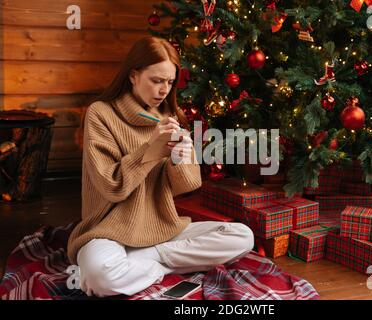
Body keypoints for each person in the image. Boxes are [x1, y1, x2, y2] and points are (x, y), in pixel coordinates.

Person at [66, 36, 254, 298]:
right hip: (107, 231)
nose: (164, 89)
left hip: (161, 230)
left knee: (242, 236)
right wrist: (151, 150)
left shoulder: (168, 118)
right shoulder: (101, 113)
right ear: (133, 75)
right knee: (101, 277)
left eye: (169, 82)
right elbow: (111, 186)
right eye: (156, 80)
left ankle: (147, 259)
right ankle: (161, 263)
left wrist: (182, 157)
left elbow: (186, 186)